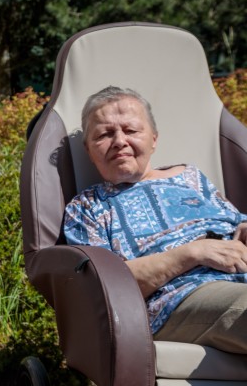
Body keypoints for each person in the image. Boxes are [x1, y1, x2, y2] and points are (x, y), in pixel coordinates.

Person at [63, 85, 247, 354]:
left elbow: (234, 222)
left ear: (153, 139)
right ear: (88, 150)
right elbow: (102, 286)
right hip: (179, 298)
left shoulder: (191, 177)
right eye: (104, 134)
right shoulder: (86, 207)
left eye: (131, 130)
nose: (119, 141)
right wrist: (194, 252)